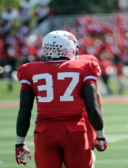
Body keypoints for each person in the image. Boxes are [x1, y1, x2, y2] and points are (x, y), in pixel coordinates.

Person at [15, 30, 107, 168]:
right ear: (69, 48)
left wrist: (20, 143)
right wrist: (100, 136)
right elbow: (92, 108)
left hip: (44, 131)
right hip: (75, 130)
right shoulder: (84, 67)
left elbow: (24, 112)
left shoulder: (29, 69)